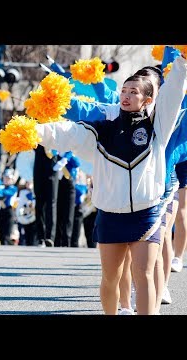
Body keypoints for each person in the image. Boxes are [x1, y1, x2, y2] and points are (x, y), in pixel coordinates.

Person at [34, 54, 187, 314]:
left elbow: (175, 87)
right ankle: (120, 308)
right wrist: (35, 132)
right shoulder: (106, 122)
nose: (125, 95)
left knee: (145, 273)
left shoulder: (161, 122)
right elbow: (72, 131)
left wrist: (182, 58)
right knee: (111, 277)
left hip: (148, 207)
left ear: (150, 98)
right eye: (124, 90)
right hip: (111, 213)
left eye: (134, 91)